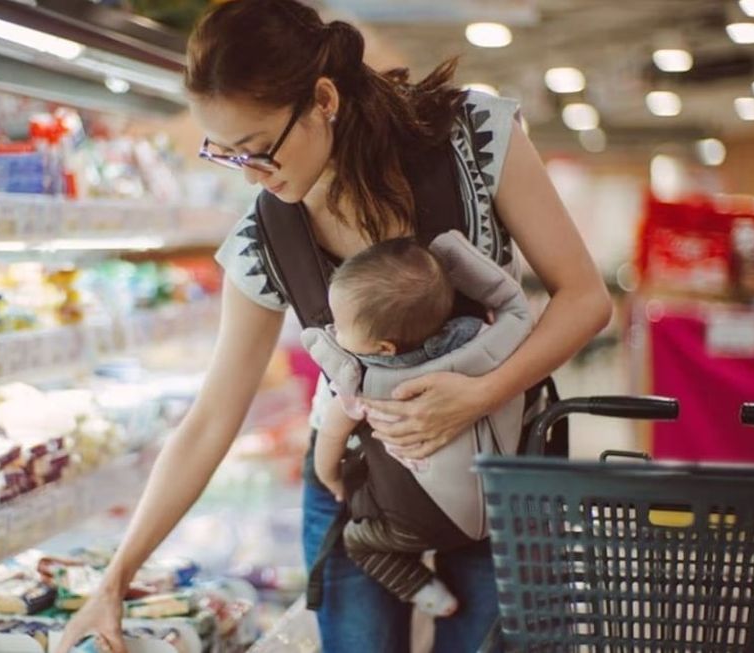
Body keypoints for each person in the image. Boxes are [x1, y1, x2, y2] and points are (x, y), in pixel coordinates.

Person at [54, 0, 611, 650]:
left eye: (258, 149)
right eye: (227, 155)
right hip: (359, 496)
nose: (253, 174)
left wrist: (478, 394)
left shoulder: (475, 135)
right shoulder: (264, 237)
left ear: (323, 99)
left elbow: (583, 298)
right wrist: (115, 578)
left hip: (504, 469)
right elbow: (212, 416)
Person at [312, 237, 488, 619]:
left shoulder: (358, 381)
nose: (331, 329)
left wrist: (330, 477)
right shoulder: (471, 339)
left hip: (409, 525)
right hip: (483, 514)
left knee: (358, 543)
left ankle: (425, 591)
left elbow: (331, 436)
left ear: (384, 347)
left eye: (340, 326)